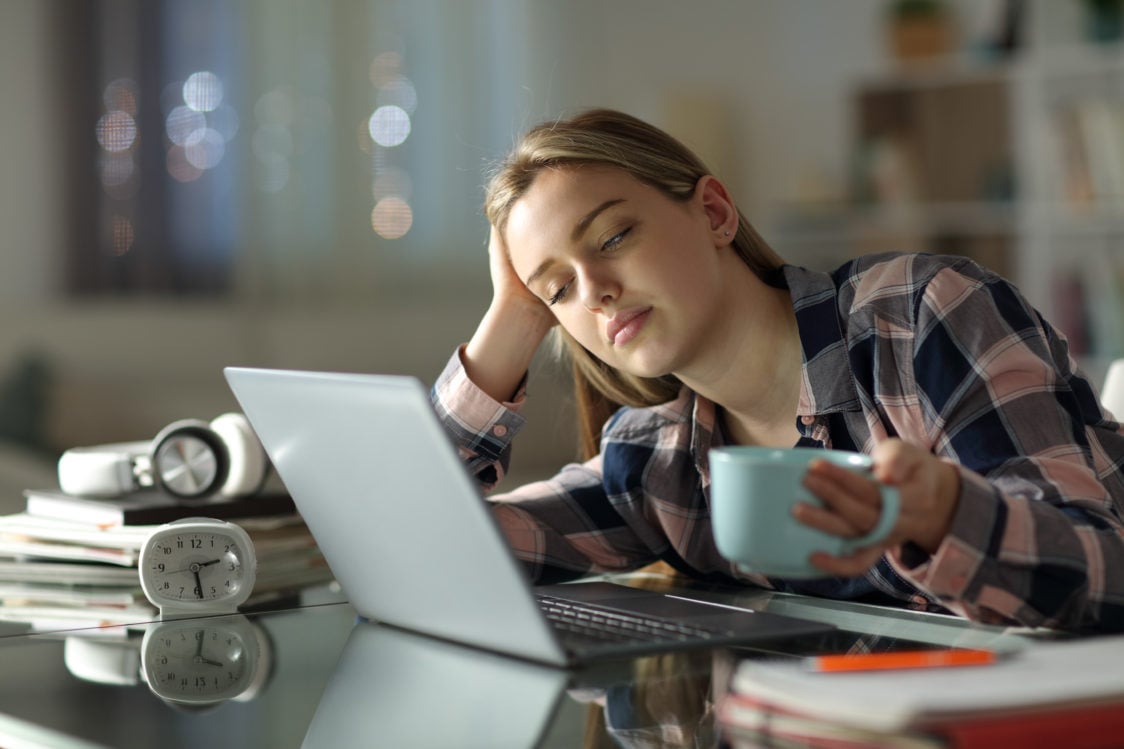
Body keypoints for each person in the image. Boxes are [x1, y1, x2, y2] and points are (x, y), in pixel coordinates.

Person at [429, 108, 1124, 633]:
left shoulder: (920, 319)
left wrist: (947, 515)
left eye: (614, 235)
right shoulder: (657, 466)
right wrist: (509, 323)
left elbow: (1103, 567)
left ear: (714, 212)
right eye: (557, 290)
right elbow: (433, 545)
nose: (595, 290)